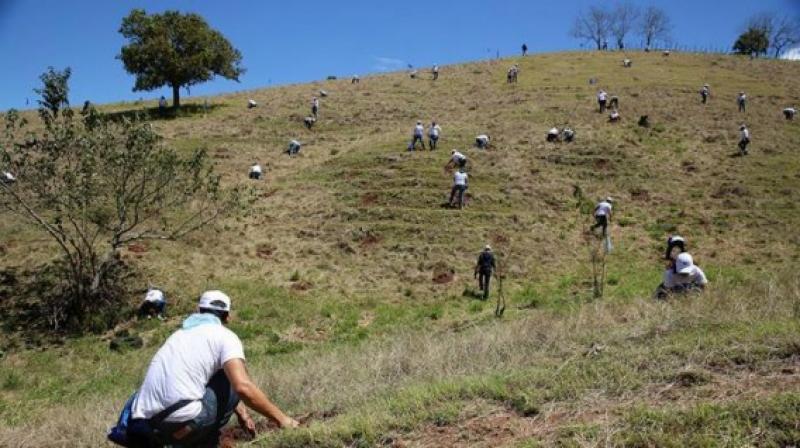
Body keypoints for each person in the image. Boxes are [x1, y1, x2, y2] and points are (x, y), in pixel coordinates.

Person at [125, 291, 299, 447]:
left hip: (145, 428)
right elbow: (242, 387)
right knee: (232, 375)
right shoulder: (225, 336)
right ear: (227, 317)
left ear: (199, 310)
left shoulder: (177, 336)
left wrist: (243, 415)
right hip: (183, 424)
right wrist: (283, 420)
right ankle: (205, 442)